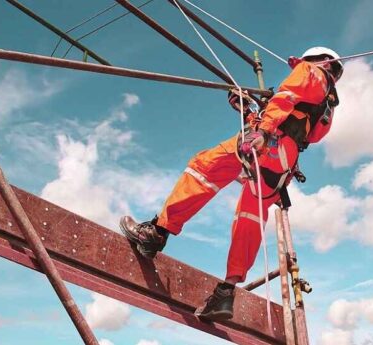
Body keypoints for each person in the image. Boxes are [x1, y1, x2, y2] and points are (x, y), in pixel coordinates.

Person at [120, 47, 343, 321]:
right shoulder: (327, 107)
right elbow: (292, 126)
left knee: (204, 169)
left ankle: (156, 232)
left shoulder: (310, 71)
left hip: (268, 145)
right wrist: (248, 111)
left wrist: (260, 131)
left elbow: (284, 100)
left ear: (317, 60)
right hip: (282, 164)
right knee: (249, 218)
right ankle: (226, 292)